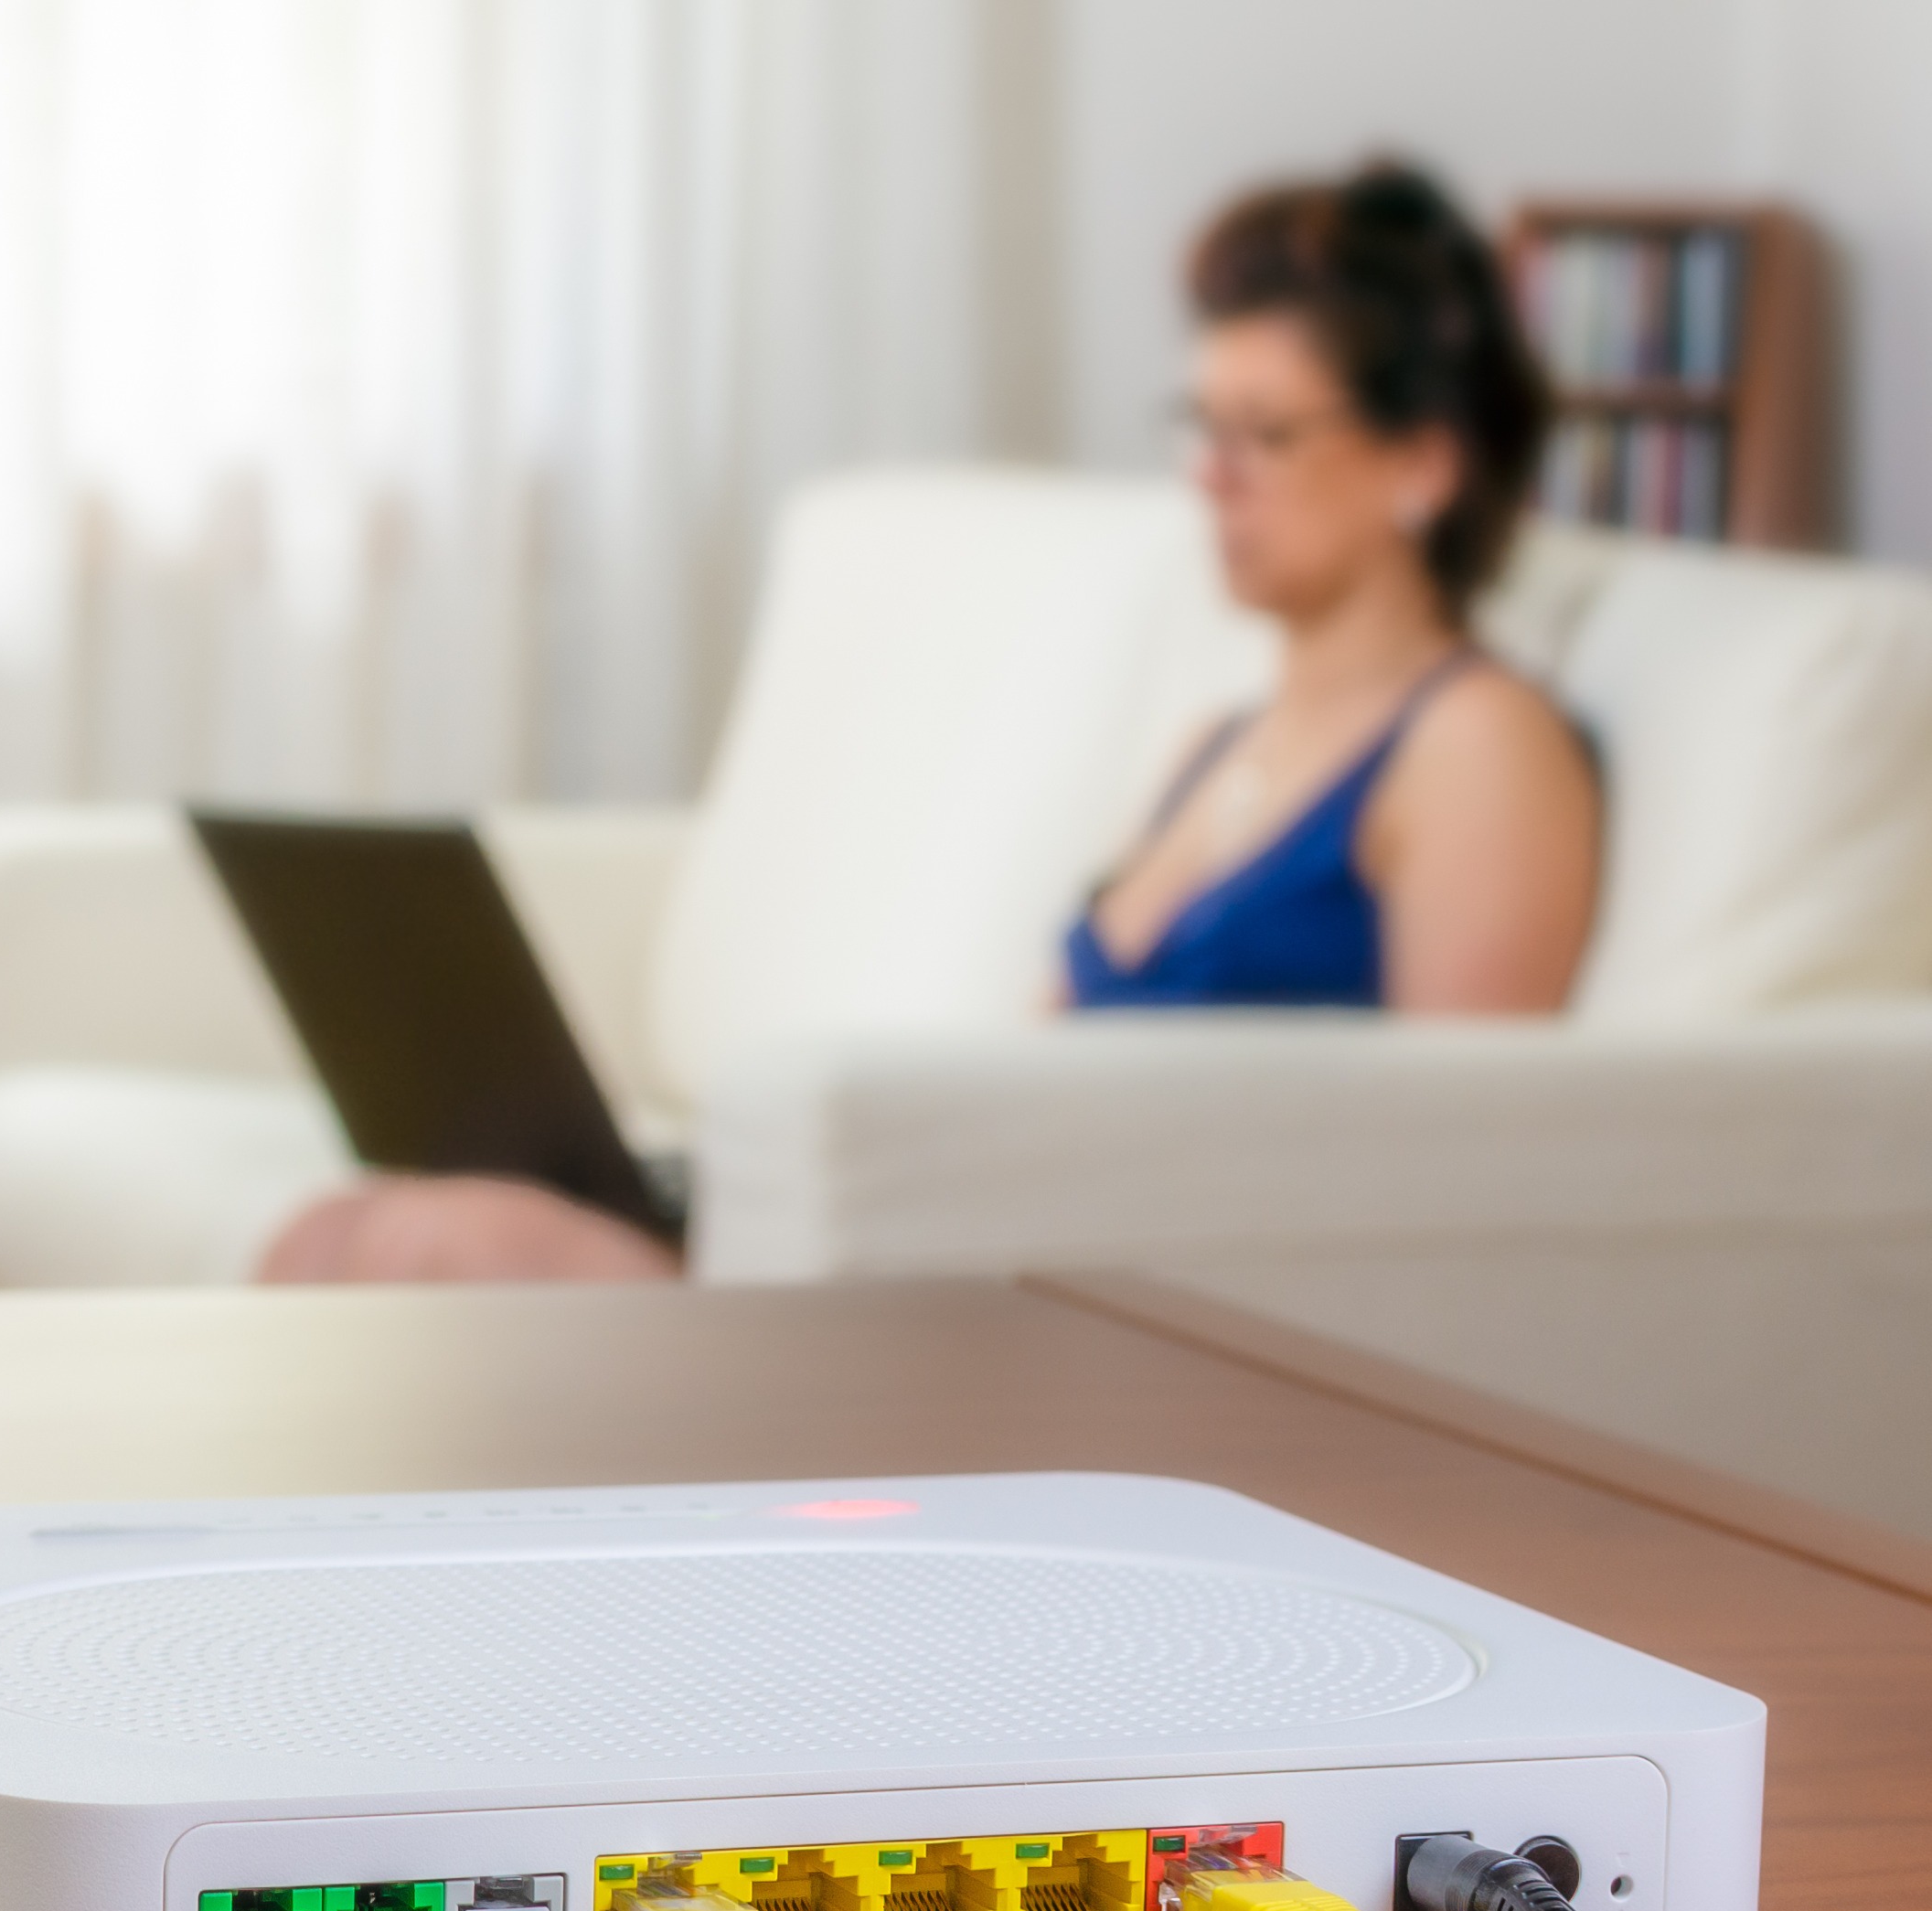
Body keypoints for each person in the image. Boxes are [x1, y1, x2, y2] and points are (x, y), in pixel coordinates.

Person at [261, 158, 1595, 1287]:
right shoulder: (1216, 744)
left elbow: (1459, 1179)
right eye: (1202, 426)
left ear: (1425, 460)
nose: (1210, 476)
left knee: (426, 1246)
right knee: (351, 1225)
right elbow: (1038, 1068)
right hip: (998, 1249)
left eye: (1266, 435)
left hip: (1135, 1299)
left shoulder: (1476, 745)